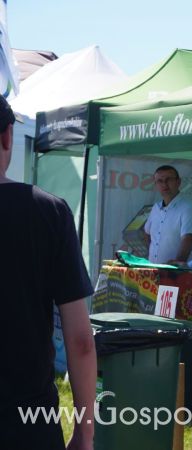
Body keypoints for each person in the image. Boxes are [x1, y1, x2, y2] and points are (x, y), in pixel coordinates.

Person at [0, 95, 96, 450]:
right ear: (9, 136)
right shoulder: (48, 213)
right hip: (28, 425)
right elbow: (81, 340)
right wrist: (84, 433)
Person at [143, 165, 192, 263]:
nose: (164, 184)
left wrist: (175, 269)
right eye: (160, 181)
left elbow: (188, 240)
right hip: (153, 272)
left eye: (168, 179)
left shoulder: (188, 208)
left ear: (178, 182)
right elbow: (147, 234)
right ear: (156, 184)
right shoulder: (155, 208)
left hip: (176, 275)